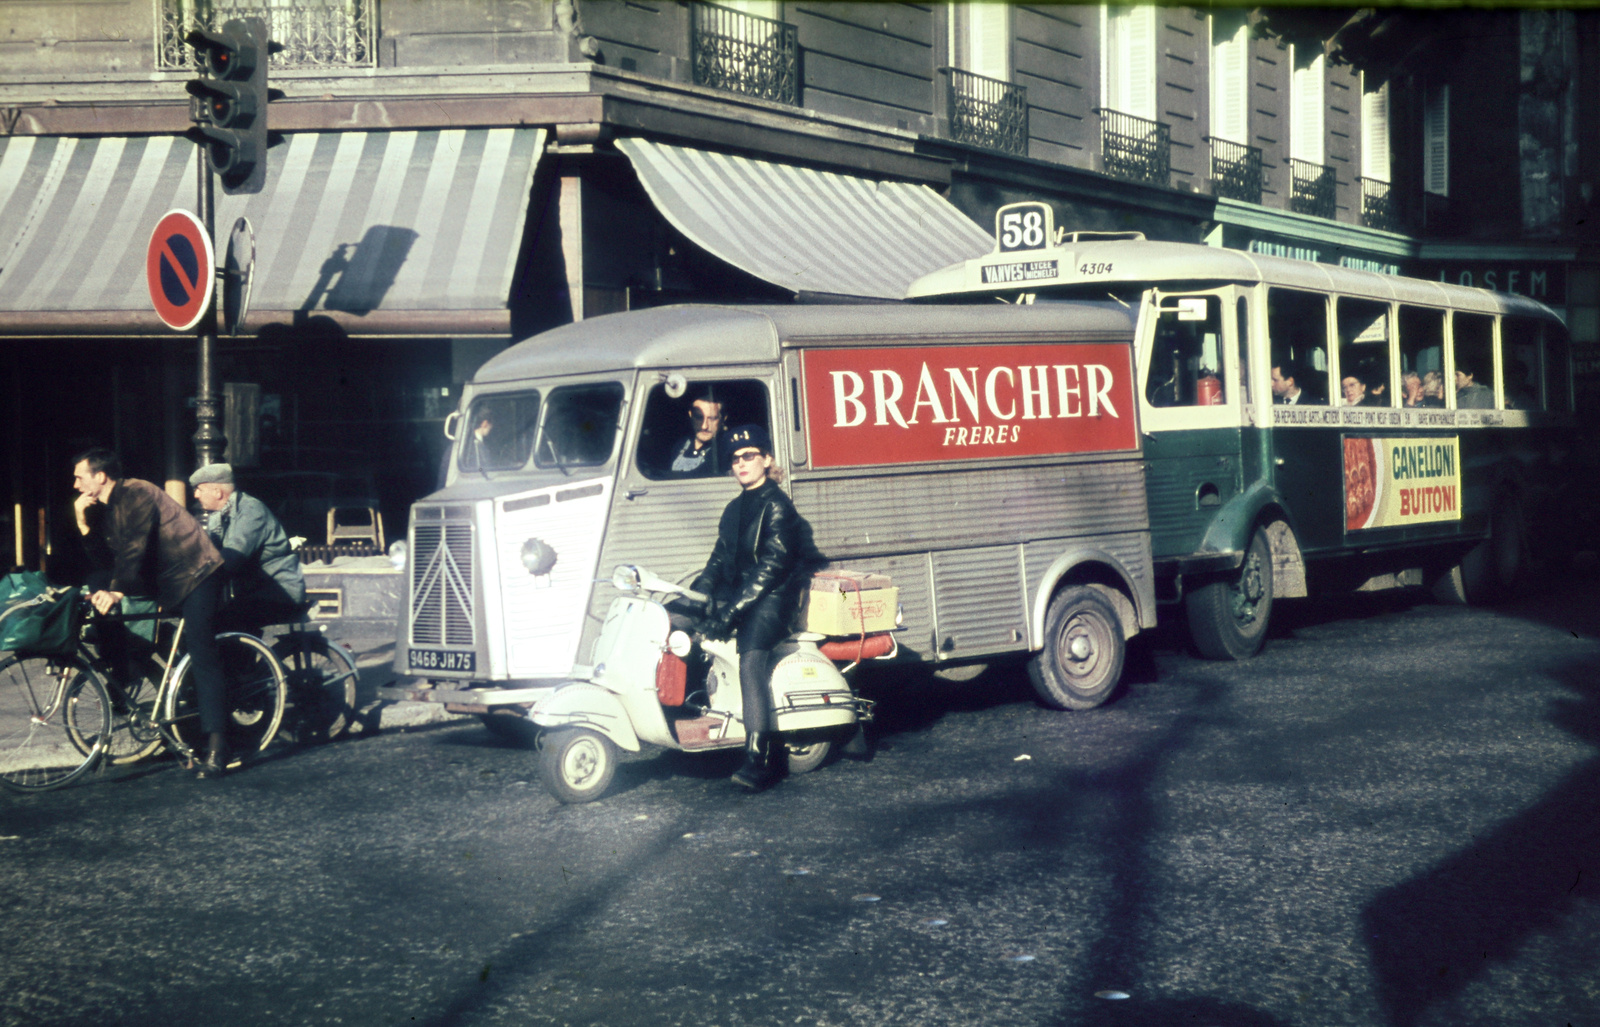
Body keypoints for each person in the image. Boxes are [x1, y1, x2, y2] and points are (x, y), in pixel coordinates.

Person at [72, 448, 230, 778]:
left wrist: (117, 590)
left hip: (196, 574)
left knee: (203, 654)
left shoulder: (137, 492)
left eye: (79, 477)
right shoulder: (108, 508)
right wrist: (82, 524)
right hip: (163, 581)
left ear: (100, 477)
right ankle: (151, 684)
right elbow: (108, 564)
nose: (75, 484)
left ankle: (217, 746)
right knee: (116, 616)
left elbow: (134, 547)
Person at [689, 424, 806, 792]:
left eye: (749, 456)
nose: (741, 463)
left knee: (750, 660)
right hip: (742, 596)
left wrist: (730, 611)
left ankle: (760, 759)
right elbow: (718, 558)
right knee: (676, 617)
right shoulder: (734, 507)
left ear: (766, 460)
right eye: (735, 459)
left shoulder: (778, 507)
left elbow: (771, 568)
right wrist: (699, 594)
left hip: (773, 600)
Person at [189, 463, 306, 636]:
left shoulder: (251, 511)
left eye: (199, 489)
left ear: (217, 492)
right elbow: (210, 554)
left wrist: (196, 574)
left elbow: (231, 558)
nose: (195, 494)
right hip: (253, 592)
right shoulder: (217, 517)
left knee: (217, 624)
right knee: (206, 620)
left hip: (278, 593)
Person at [663, 394, 724, 478]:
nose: (704, 426)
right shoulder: (679, 445)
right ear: (690, 415)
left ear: (723, 419)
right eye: (699, 417)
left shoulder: (724, 451)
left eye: (712, 419)